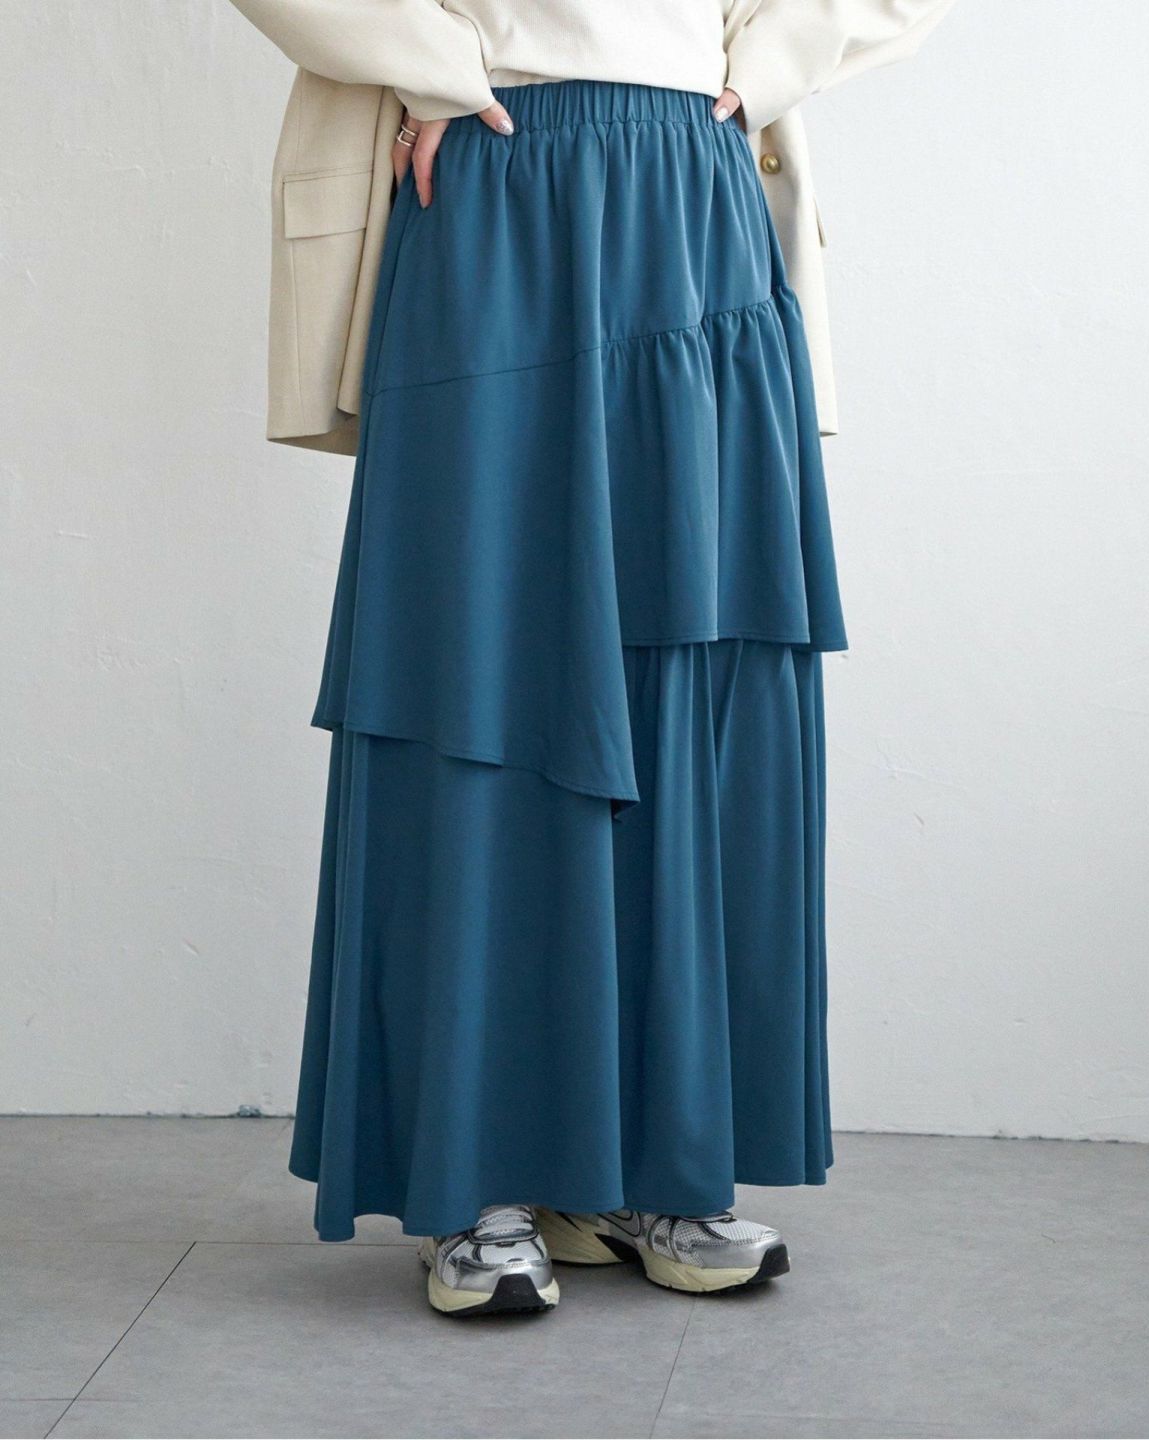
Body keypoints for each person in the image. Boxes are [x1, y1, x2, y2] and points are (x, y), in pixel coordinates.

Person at [228, 0, 955, 1318]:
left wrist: (768, 63)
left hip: (696, 191)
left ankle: (654, 1168)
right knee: (476, 665)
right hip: (488, 173)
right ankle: (474, 1182)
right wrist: (430, 69)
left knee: (694, 673)